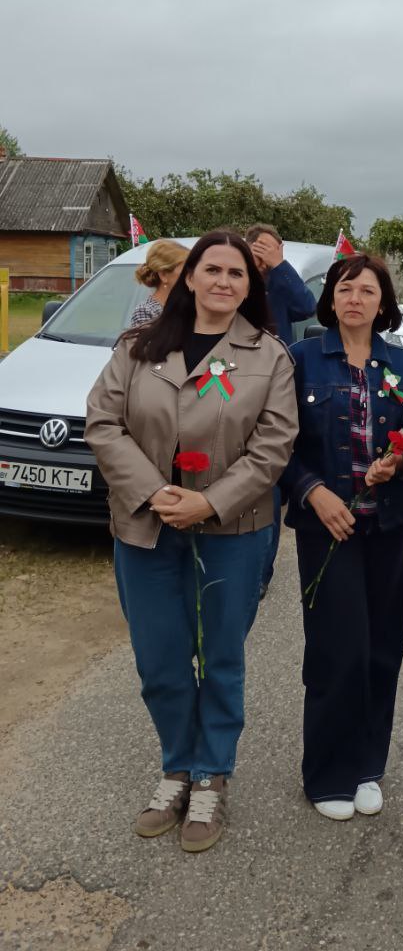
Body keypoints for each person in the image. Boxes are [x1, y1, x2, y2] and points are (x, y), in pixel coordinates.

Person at [85, 231, 298, 853]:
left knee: (222, 659)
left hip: (232, 529)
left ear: (249, 286)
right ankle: (176, 765)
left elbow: (274, 445)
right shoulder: (139, 348)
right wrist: (154, 493)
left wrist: (210, 500)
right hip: (145, 527)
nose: (223, 282)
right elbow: (103, 422)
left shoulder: (269, 356)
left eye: (237, 273)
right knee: (160, 660)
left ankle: (212, 775)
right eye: (212, 270)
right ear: (190, 278)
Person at [283, 253, 403, 820]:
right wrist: (314, 491)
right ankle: (328, 771)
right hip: (327, 527)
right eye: (345, 288)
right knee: (336, 650)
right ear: (331, 299)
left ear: (384, 303)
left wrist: (402, 463)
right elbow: (277, 445)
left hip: (388, 523)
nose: (355, 298)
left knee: (381, 648)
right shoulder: (300, 360)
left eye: (367, 290)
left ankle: (367, 764)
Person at [244, 223, 317, 598]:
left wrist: (279, 266)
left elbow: (308, 306)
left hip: (276, 387)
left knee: (268, 478)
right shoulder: (239, 280)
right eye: (258, 248)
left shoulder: (283, 282)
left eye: (270, 248)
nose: (263, 254)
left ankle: (260, 573)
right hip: (235, 383)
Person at [130, 239, 189, 327]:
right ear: (163, 275)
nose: (192, 276)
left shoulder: (187, 305)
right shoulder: (147, 311)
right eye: (185, 271)